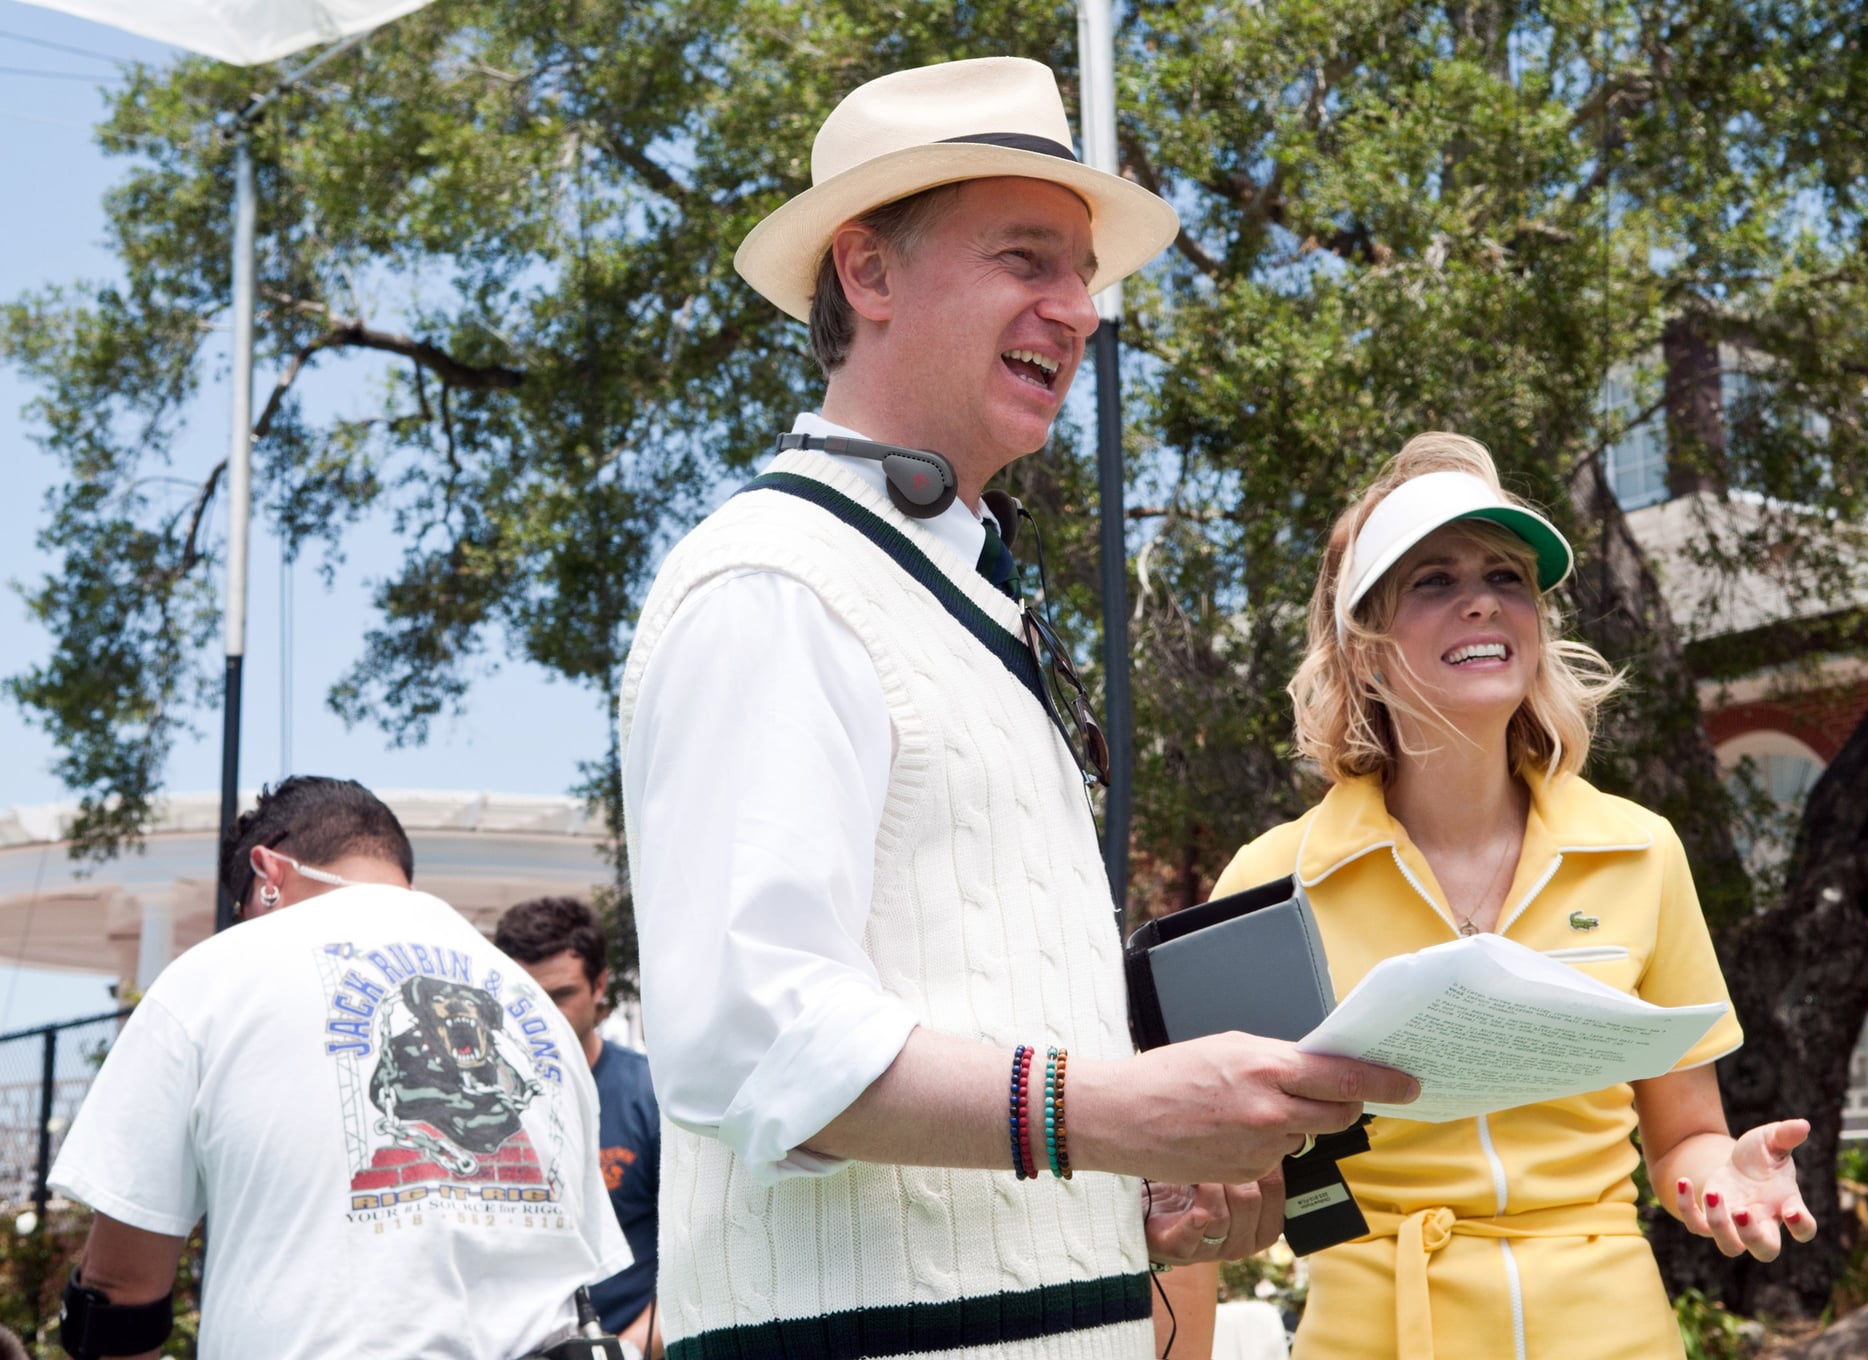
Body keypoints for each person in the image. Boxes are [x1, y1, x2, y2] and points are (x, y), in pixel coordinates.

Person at [617, 55, 1419, 1360]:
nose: (1082, 309)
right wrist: (1115, 1114)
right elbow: (750, 1036)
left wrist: (1155, 1184)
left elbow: (990, 1055)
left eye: (1085, 273)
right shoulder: (772, 580)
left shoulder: (960, 601)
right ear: (867, 273)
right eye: (1027, 260)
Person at [1201, 432, 1814, 1360]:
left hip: (1616, 1337)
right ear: (1365, 649)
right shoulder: (1267, 884)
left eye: (1508, 576)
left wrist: (1720, 1177)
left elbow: (1685, 1135)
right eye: (1433, 580)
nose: (1482, 597)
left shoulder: (1642, 852)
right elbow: (1191, 1189)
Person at [49, 777, 629, 1360]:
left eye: (239, 906)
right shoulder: (534, 1005)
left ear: (268, 872)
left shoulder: (211, 977)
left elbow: (120, 1291)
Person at [495, 896, 662, 1358]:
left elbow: (698, 1254)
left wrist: (627, 1352)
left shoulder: (649, 1095)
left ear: (599, 985)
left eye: (561, 995)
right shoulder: (480, 1102)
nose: (543, 1016)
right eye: (525, 998)